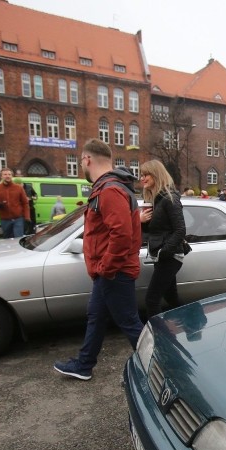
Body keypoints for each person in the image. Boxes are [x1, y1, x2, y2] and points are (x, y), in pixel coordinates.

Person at [53, 139, 143, 381]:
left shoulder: (110, 190)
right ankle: (84, 365)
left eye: (81, 161)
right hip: (108, 273)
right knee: (96, 316)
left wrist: (107, 268)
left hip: (114, 273)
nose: (81, 164)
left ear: (87, 159)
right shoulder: (108, 187)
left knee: (130, 324)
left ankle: (160, 368)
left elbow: (122, 235)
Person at [140, 159, 188, 317]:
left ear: (156, 175)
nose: (142, 178)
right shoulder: (155, 200)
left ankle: (158, 339)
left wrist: (163, 252)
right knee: (171, 297)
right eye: (141, 175)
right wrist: (142, 221)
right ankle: (193, 324)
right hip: (161, 255)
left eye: (146, 174)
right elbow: (152, 231)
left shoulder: (170, 198)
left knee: (151, 300)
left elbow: (180, 230)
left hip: (170, 256)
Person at [0, 167, 30, 238]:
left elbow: (25, 203)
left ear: (12, 176)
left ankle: (18, 249)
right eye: (5, 174)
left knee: (18, 238)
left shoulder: (18, 188)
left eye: (9, 174)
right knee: (7, 239)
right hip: (5, 219)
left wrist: (27, 217)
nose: (7, 176)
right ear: (1, 176)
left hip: (18, 218)